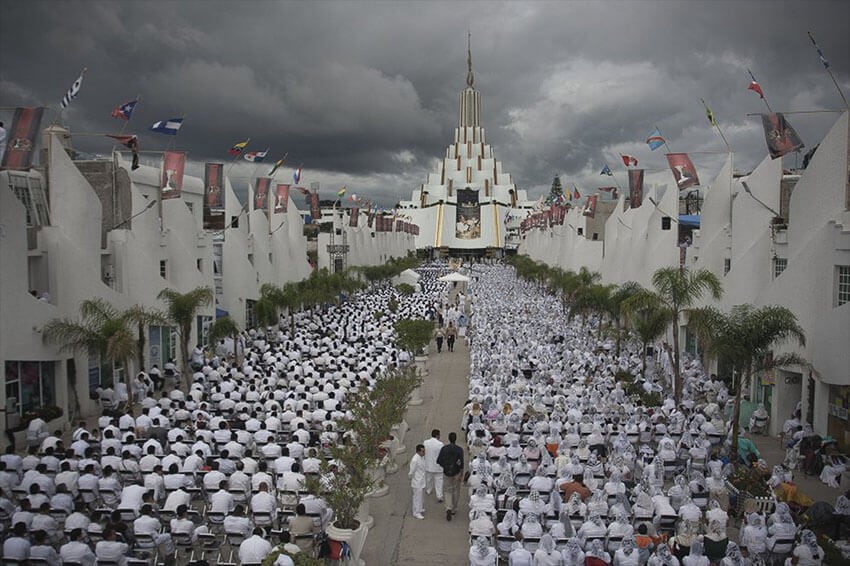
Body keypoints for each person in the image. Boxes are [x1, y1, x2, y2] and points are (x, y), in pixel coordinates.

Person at [437, 431, 464, 521]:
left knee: (447, 490)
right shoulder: (459, 450)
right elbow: (462, 463)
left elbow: (439, 460)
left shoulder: (444, 449)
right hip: (456, 473)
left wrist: (444, 466)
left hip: (446, 473)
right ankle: (454, 508)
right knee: (456, 490)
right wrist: (461, 474)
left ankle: (448, 507)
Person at [424, 429, 444, 502]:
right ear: (437, 435)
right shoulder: (440, 444)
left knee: (429, 479)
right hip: (438, 466)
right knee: (439, 481)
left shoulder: (425, 442)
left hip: (428, 465)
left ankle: (429, 489)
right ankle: (439, 496)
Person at [408, 443, 426, 519]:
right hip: (417, 481)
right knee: (417, 497)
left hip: (421, 480)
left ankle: (420, 508)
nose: (424, 453)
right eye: (423, 451)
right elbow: (411, 471)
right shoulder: (415, 460)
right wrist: (413, 478)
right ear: (418, 451)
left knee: (421, 496)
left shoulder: (421, 457)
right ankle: (416, 512)